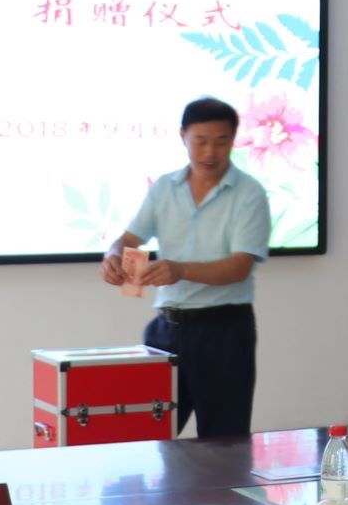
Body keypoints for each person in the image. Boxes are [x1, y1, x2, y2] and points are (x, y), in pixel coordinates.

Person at [101, 97, 272, 438]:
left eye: (221, 142)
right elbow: (129, 238)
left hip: (224, 331)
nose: (210, 152)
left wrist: (181, 270)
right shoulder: (165, 188)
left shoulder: (249, 194)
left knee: (224, 442)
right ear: (183, 136)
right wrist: (113, 255)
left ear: (233, 140)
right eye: (201, 141)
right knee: (148, 438)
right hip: (167, 330)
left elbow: (239, 267)